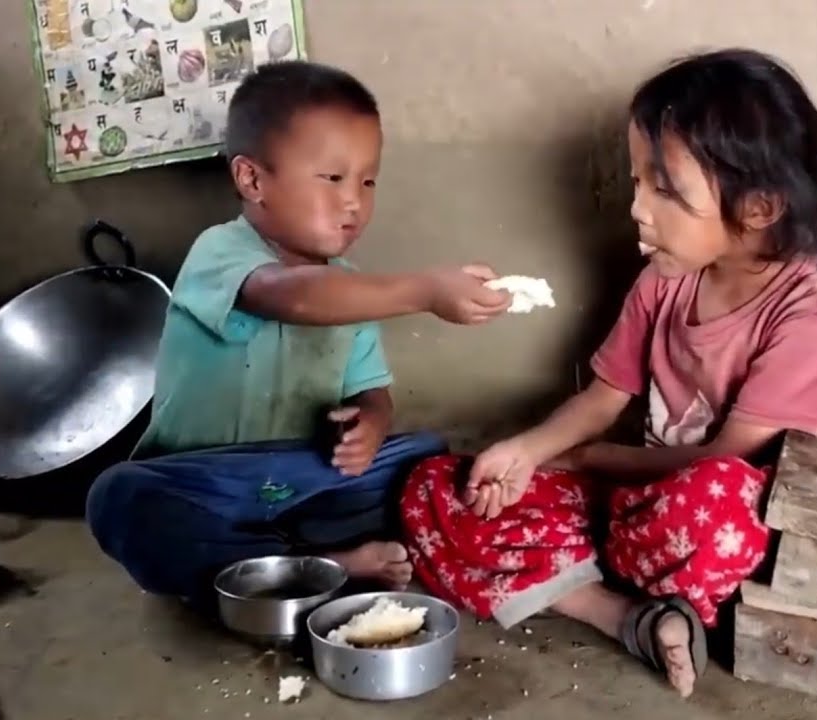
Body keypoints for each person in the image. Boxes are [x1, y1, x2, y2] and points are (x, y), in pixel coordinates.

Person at [401, 48, 817, 698]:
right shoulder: (665, 279)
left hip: (728, 519)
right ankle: (624, 613)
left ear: (759, 207)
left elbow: (736, 459)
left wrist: (591, 459)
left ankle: (592, 574)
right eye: (637, 183)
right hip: (631, 506)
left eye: (667, 190)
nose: (638, 209)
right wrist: (526, 452)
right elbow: (602, 397)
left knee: (711, 503)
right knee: (438, 487)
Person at [86, 60, 513, 604]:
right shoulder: (219, 252)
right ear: (253, 179)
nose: (354, 201)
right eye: (333, 178)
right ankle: (323, 564)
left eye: (367, 180)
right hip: (205, 484)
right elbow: (292, 296)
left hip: (306, 478)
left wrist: (370, 427)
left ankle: (290, 563)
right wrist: (425, 291)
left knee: (427, 459)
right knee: (120, 497)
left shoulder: (354, 288)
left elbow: (371, 389)